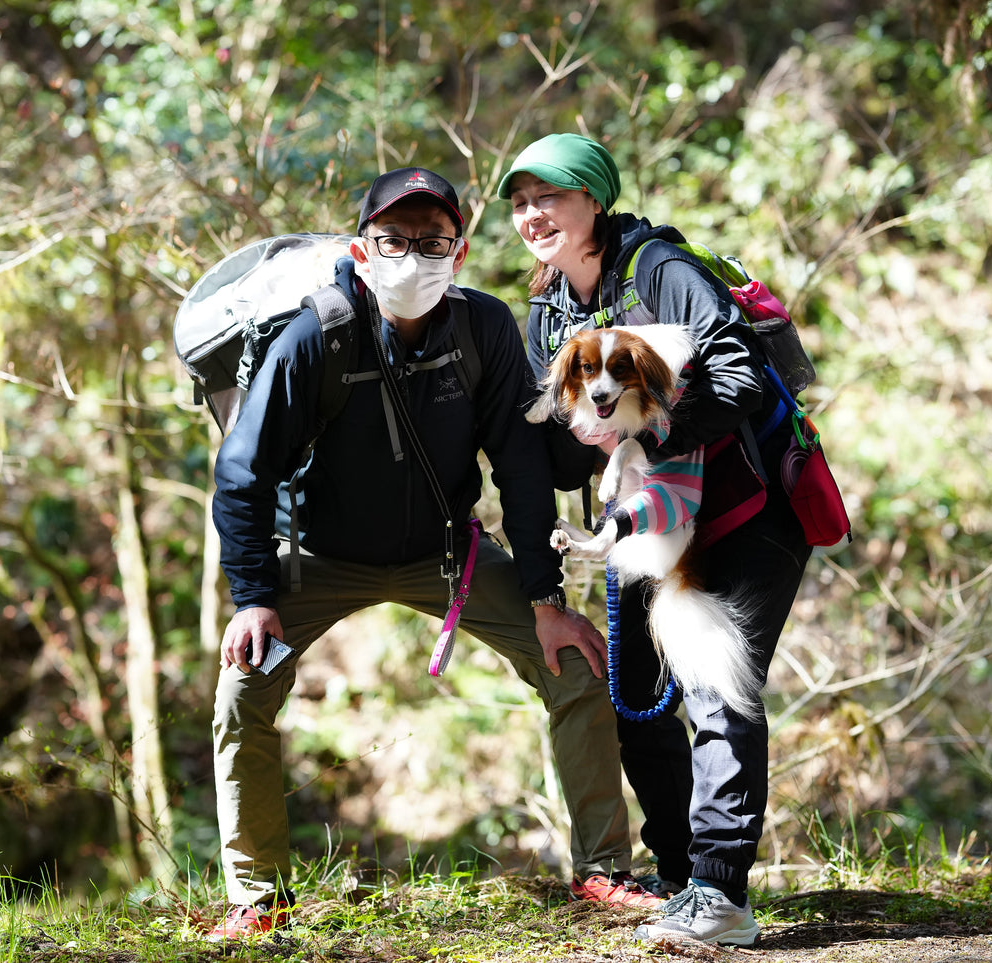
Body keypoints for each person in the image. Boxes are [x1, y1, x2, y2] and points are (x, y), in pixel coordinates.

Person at [206, 166, 668, 941]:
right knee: (243, 686)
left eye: (432, 242)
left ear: (456, 254)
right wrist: (252, 595)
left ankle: (602, 869)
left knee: (579, 663)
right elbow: (242, 472)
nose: (411, 257)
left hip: (444, 554)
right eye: (392, 240)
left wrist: (545, 601)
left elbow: (518, 468)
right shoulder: (313, 335)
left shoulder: (482, 328)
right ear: (361, 249)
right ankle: (259, 899)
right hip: (316, 556)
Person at [498, 134, 814, 947]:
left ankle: (719, 887)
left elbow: (740, 377)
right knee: (637, 698)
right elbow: (565, 443)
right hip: (646, 525)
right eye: (520, 201)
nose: (533, 214)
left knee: (712, 689)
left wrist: (651, 428)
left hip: (741, 515)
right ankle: (680, 877)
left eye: (552, 196)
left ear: (593, 199)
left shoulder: (661, 271)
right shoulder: (548, 312)